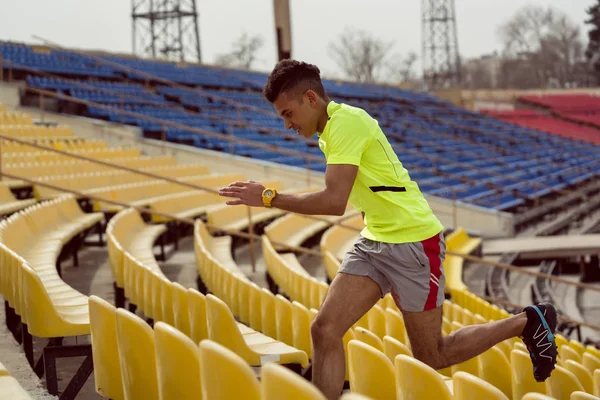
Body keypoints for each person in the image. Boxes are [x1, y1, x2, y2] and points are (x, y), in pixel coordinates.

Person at [218, 59, 558, 400]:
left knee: (431, 355)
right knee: (324, 329)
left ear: (310, 99)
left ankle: (527, 321)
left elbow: (334, 201)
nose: (287, 124)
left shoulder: (347, 124)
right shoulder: (329, 131)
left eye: (288, 113)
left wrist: (268, 197)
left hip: (414, 241)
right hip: (376, 240)